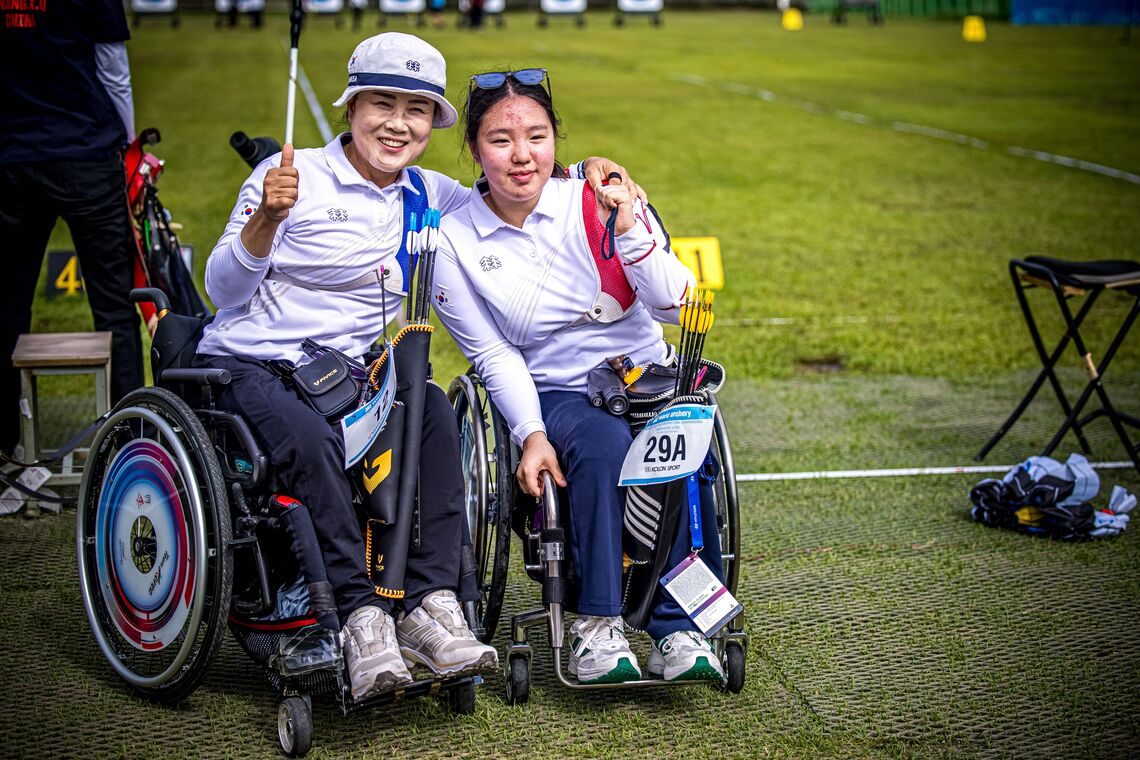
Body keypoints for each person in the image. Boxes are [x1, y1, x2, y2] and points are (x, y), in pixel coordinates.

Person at [194, 33, 638, 702]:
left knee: (431, 407)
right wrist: (266, 222)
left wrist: (581, 174)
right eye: (382, 104)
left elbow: (510, 184)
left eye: (417, 109)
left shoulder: (429, 197)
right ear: (350, 108)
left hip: (344, 376)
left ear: (433, 125)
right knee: (311, 441)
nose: (397, 123)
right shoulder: (287, 178)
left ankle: (433, 604)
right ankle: (361, 617)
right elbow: (221, 291)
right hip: (247, 367)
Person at [432, 68, 728, 685]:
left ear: (556, 140)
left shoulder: (597, 198)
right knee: (599, 447)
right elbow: (493, 356)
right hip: (557, 389)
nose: (521, 157)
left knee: (674, 445)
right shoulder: (454, 235)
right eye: (500, 141)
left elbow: (679, 305)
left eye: (537, 137)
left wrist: (630, 231)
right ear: (473, 148)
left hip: (647, 376)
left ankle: (680, 627)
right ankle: (599, 625)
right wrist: (532, 432)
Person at [0, 0, 145, 458]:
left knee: (7, 306)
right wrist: (129, 146)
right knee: (116, 307)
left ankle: (8, 444)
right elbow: (113, 71)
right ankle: (129, 442)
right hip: (87, 154)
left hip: (15, 156)